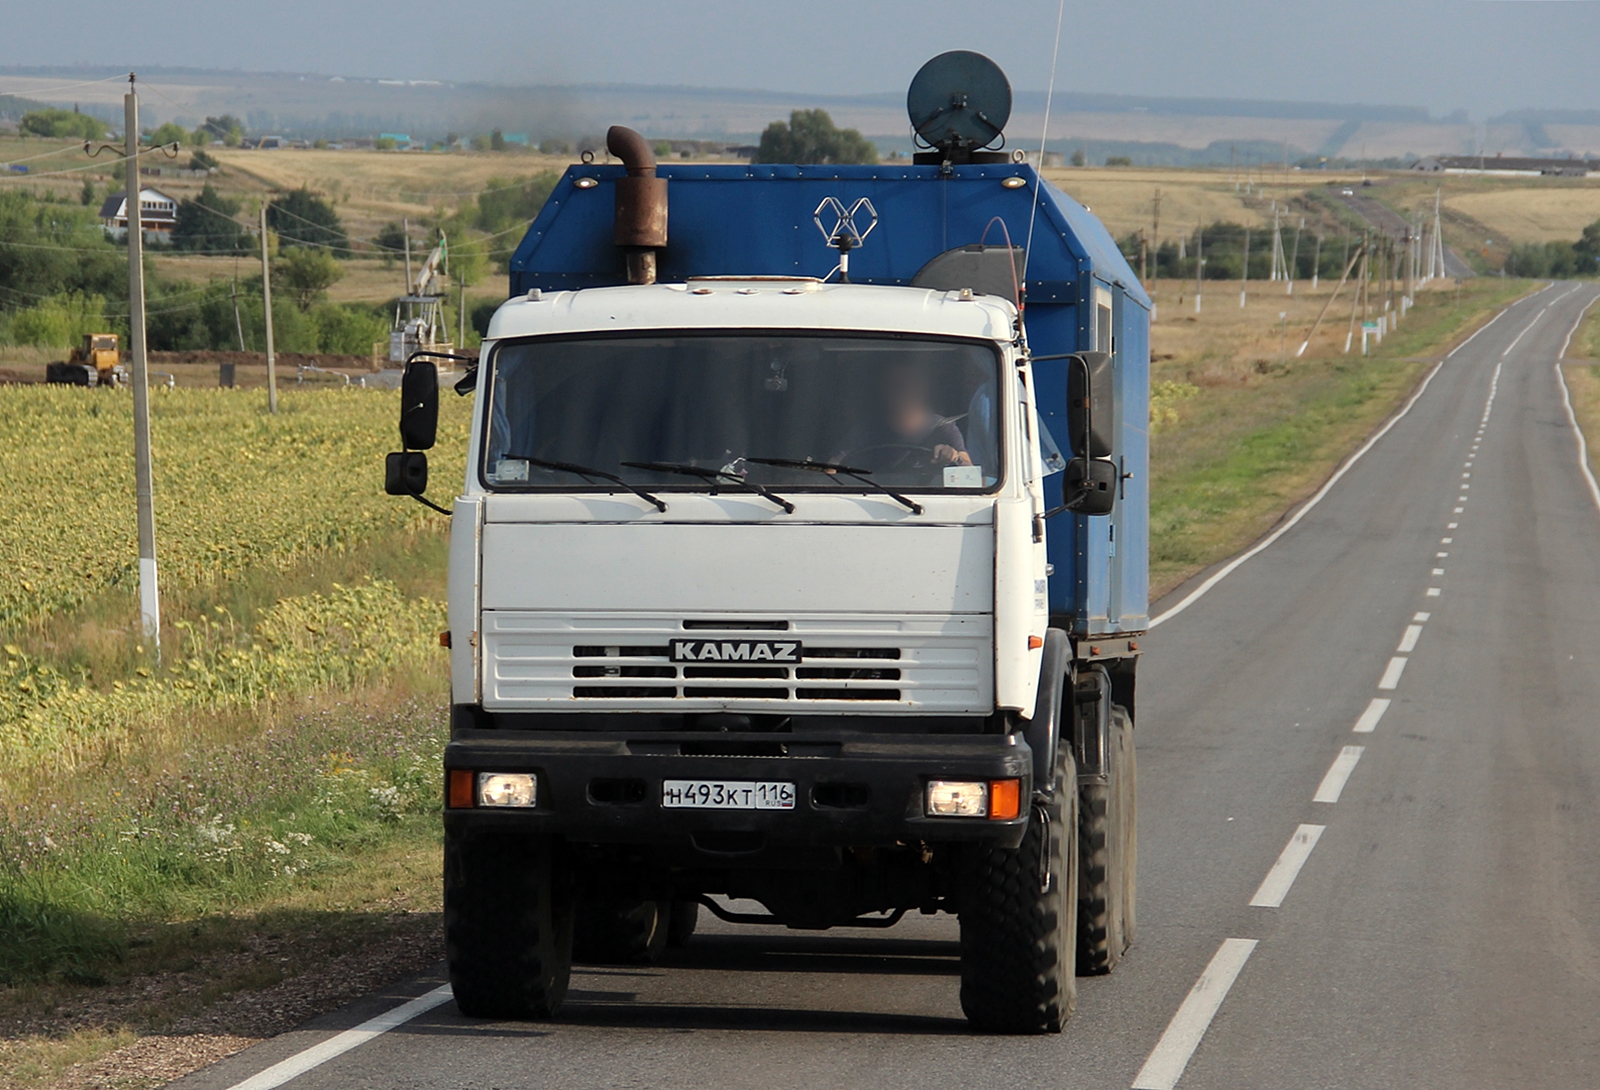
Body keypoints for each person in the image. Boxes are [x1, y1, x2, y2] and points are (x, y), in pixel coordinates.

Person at [847, 359, 971, 468]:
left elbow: (971, 474)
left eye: (911, 384)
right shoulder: (868, 430)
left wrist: (955, 457)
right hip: (872, 494)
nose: (904, 392)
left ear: (924, 388)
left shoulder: (942, 427)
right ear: (883, 391)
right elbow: (833, 469)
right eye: (896, 386)